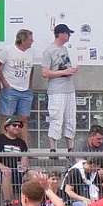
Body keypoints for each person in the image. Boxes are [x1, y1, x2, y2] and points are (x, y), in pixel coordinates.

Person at [40, 24, 80, 152]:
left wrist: (71, 70)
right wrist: (64, 72)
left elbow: (64, 67)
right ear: (61, 34)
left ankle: (70, 148)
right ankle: (53, 149)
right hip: (57, 90)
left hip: (69, 88)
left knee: (70, 119)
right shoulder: (49, 51)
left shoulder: (64, 49)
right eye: (68, 33)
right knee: (56, 118)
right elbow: (45, 72)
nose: (69, 36)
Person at [0, 28, 38, 129]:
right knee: (7, 118)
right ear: (22, 41)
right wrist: (4, 82)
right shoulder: (8, 50)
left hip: (26, 90)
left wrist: (30, 84)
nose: (32, 41)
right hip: (10, 88)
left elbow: (31, 67)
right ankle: (5, 139)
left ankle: (22, 139)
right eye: (30, 39)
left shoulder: (32, 52)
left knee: (24, 119)